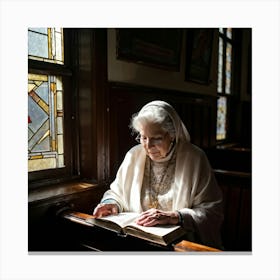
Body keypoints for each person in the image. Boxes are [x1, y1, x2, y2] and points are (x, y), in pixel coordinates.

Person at [93, 100, 224, 249]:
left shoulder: (195, 159)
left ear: (173, 135)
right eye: (143, 137)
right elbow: (117, 193)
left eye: (157, 138)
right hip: (135, 242)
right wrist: (111, 204)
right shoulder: (133, 156)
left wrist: (175, 216)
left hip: (178, 246)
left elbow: (212, 212)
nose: (148, 146)